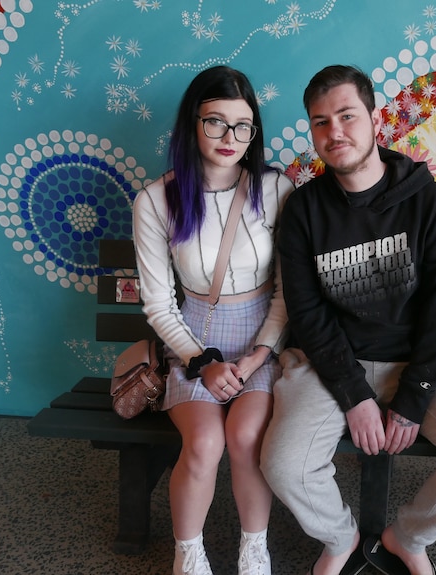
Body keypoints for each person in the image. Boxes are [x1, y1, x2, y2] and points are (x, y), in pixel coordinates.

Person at [261, 65, 436, 575]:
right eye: (319, 122)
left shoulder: (427, 202)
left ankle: (407, 537)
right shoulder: (304, 210)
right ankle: (340, 539)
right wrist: (354, 393)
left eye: (346, 115)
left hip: (418, 364)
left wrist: (414, 396)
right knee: (283, 463)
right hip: (330, 363)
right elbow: (307, 313)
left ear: (375, 118)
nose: (334, 132)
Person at [133, 65, 294, 575]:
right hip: (193, 337)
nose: (231, 138)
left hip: (260, 338)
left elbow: (286, 294)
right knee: (204, 442)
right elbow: (159, 303)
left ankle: (254, 547)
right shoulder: (156, 200)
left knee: (248, 438)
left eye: (243, 126)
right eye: (216, 122)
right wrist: (200, 361)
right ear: (191, 124)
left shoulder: (276, 189)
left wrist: (257, 356)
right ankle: (190, 553)